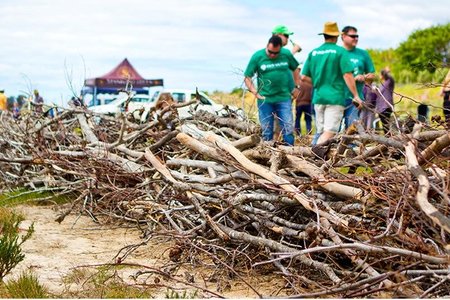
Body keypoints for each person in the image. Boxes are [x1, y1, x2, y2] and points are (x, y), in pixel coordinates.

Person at [301, 21, 362, 145]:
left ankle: (315, 158)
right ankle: (315, 152)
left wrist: (318, 83)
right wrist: (356, 95)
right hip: (335, 98)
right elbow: (347, 74)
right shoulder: (340, 51)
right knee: (330, 132)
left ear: (324, 35)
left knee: (321, 131)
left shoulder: (314, 52)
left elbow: (303, 77)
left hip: (318, 97)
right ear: (337, 36)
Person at [244, 35, 300, 146]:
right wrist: (254, 91)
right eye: (270, 52)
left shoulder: (286, 54)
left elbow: (295, 68)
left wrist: (296, 86)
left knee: (288, 128)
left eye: (276, 53)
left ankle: (291, 151)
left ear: (280, 49)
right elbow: (247, 77)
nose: (272, 55)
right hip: (265, 99)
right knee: (267, 130)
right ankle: (266, 154)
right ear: (267, 46)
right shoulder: (258, 56)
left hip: (284, 98)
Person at [341, 25, 376, 130]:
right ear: (343, 36)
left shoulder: (363, 54)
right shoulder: (338, 52)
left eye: (357, 36)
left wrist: (364, 77)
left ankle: (351, 146)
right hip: (337, 97)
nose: (356, 38)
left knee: (353, 126)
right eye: (352, 36)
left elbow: (373, 75)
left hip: (355, 99)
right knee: (334, 129)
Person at [271, 25, 302, 141]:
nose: (288, 39)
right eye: (286, 36)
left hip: (284, 94)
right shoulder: (274, 50)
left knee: (284, 127)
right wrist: (293, 51)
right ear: (278, 35)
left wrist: (295, 88)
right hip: (274, 95)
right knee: (274, 127)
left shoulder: (285, 52)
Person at [375, 69, 395, 134]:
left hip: (386, 106)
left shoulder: (389, 82)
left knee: (386, 123)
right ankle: (387, 137)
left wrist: (385, 72)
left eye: (381, 74)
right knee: (384, 124)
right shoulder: (382, 84)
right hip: (381, 108)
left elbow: (390, 77)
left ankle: (388, 137)